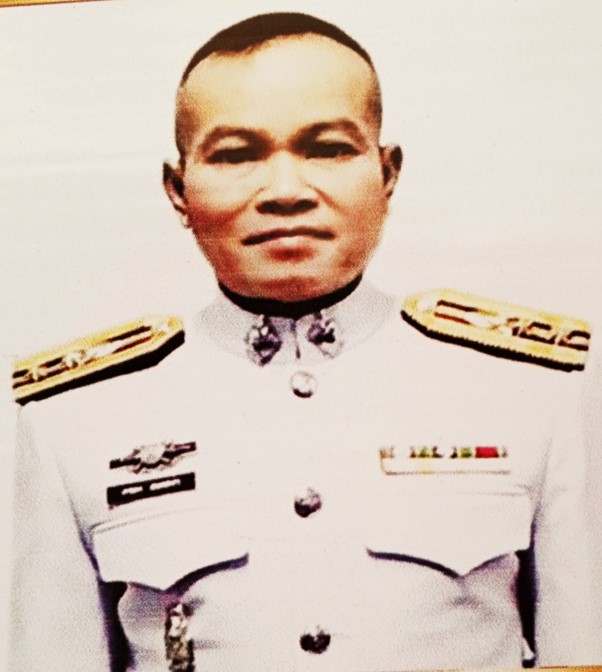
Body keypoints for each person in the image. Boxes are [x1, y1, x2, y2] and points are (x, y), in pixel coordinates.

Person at [9, 11, 599, 672]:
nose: (287, 192)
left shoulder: (529, 392)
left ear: (388, 173)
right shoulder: (74, 419)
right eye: (236, 155)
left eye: (328, 148)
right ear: (178, 190)